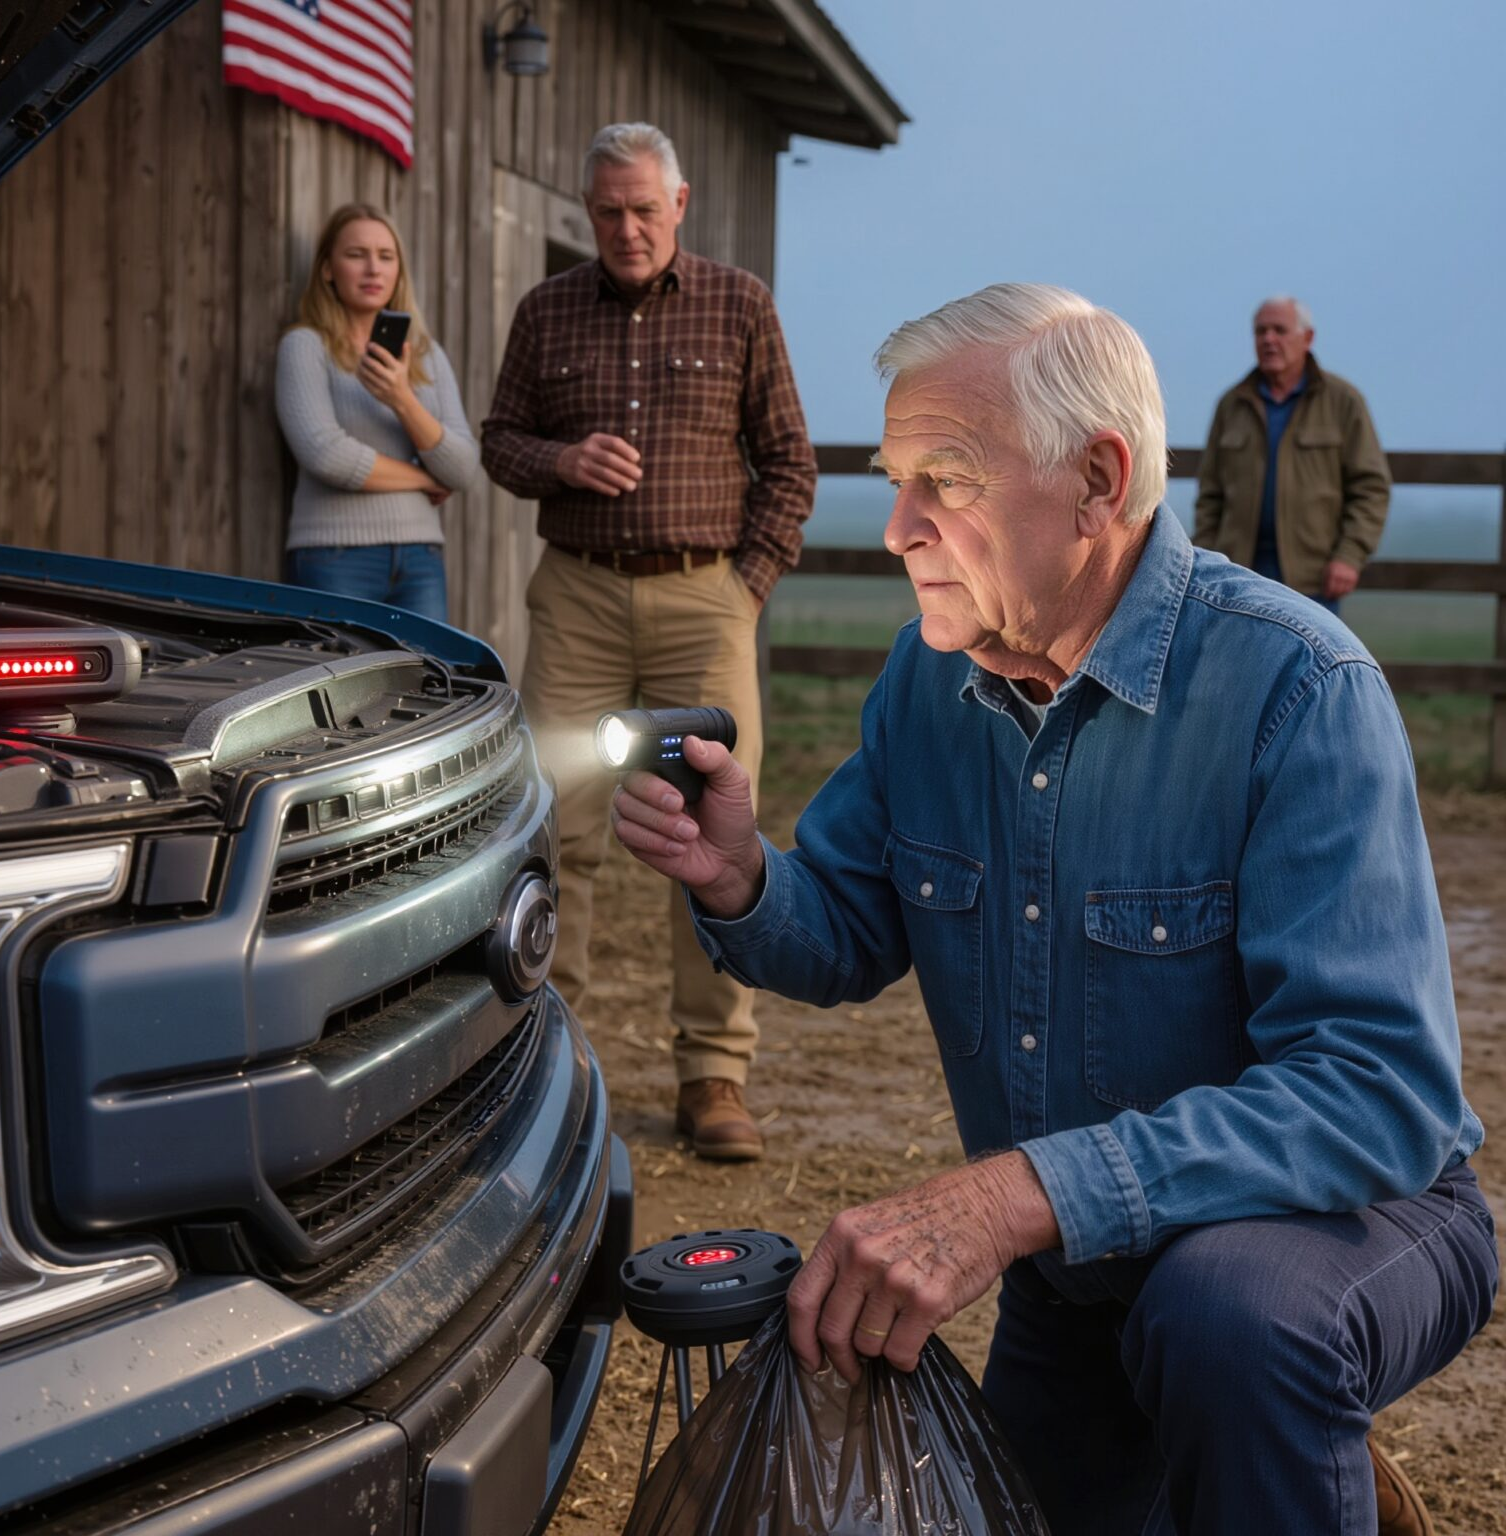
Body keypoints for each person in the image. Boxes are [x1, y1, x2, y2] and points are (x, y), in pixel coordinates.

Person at [610, 284, 1496, 1534]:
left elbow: (1379, 1093)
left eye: (948, 479)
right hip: (1082, 1275)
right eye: (894, 477)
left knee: (1230, 1321)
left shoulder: (1297, 687)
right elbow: (849, 929)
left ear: (1097, 479)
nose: (899, 528)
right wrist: (740, 875)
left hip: (1346, 1228)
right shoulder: (929, 683)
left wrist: (1010, 1197)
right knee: (1005, 1505)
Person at [481, 122, 816, 1162]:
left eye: (642, 209)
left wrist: (741, 593)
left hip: (700, 597)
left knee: (711, 841)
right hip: (577, 597)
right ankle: (545, 1056)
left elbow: (790, 465)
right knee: (555, 827)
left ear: (680, 204)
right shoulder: (547, 311)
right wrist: (563, 458)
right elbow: (498, 443)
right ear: (590, 213)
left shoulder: (741, 303)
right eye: (607, 212)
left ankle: (713, 1073)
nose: (626, 229)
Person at [277, 203, 479, 623]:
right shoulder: (305, 346)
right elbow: (325, 454)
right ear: (328, 269)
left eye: (386, 256)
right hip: (333, 557)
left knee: (429, 687)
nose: (373, 268)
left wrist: (402, 398)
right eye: (356, 254)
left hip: (420, 559)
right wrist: (426, 477)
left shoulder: (426, 355)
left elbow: (463, 468)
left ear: (398, 270)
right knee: (336, 688)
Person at [1193, 296, 1390, 612]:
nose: (1269, 339)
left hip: (1312, 580)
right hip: (1238, 576)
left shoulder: (1343, 402)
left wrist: (1349, 556)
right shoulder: (1232, 404)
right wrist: (1206, 558)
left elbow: (1371, 489)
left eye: (1279, 330)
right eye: (1261, 331)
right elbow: (1210, 494)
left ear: (1307, 338)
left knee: (1311, 662)